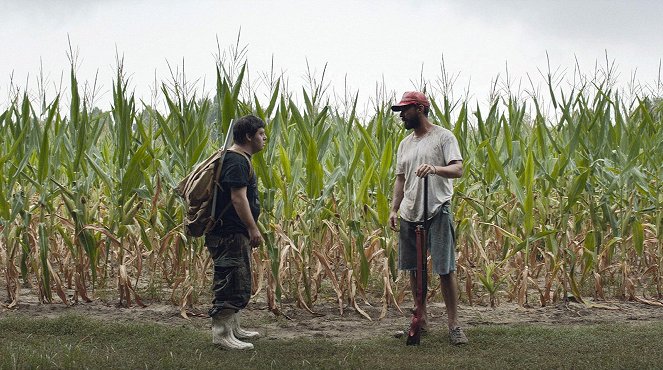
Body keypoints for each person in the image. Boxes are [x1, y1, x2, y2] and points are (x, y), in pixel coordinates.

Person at [388, 91, 468, 345]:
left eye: (405, 110)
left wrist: (435, 169)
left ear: (420, 109)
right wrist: (394, 208)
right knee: (414, 269)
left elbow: (458, 168)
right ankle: (419, 319)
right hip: (410, 212)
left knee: (445, 269)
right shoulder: (405, 144)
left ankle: (454, 325)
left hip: (437, 209)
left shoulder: (443, 137)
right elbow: (400, 178)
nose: (401, 115)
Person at [205, 114, 267, 350]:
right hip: (228, 233)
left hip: (232, 233)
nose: (264, 138)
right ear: (249, 136)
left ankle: (234, 328)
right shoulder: (237, 161)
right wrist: (253, 228)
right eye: (261, 134)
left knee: (238, 279)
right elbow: (238, 198)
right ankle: (221, 334)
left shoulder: (239, 159)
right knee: (230, 280)